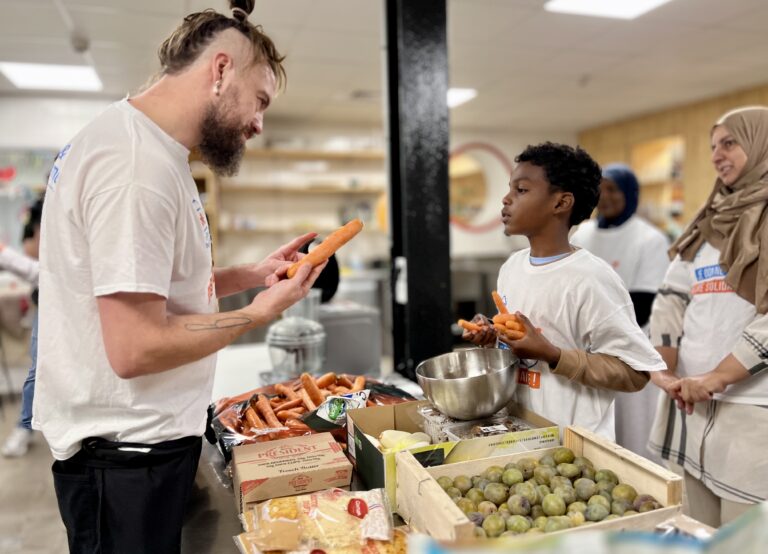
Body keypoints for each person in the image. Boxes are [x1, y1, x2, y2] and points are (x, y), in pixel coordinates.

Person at [33, 2, 325, 552]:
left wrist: (252, 274)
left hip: (140, 450)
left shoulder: (152, 153)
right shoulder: (135, 169)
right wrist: (259, 312)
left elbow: (149, 278)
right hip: (123, 463)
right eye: (259, 100)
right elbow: (135, 347)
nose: (259, 123)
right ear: (220, 71)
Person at [463, 142, 666, 439]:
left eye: (521, 190)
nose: (505, 199)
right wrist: (493, 335)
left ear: (561, 203)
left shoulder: (590, 279)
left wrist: (553, 354)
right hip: (521, 432)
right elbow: (516, 340)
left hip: (575, 445)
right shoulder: (511, 267)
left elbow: (634, 373)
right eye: (510, 189)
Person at [647, 106, 768, 527]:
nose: (718, 154)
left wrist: (716, 378)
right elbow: (672, 299)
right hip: (691, 408)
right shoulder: (708, 222)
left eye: (730, 143)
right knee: (694, 530)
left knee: (745, 538)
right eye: (713, 146)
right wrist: (664, 370)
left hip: (751, 414)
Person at [571, 164, 670, 460]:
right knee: (597, 436)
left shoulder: (649, 239)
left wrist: (592, 330)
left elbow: (643, 302)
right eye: (601, 188)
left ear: (630, 192)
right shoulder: (581, 235)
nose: (605, 196)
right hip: (587, 349)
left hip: (631, 348)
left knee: (635, 436)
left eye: (613, 188)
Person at [0, 195, 43, 457]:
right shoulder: (42, 209)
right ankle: (24, 427)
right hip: (50, 300)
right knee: (38, 369)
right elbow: (32, 250)